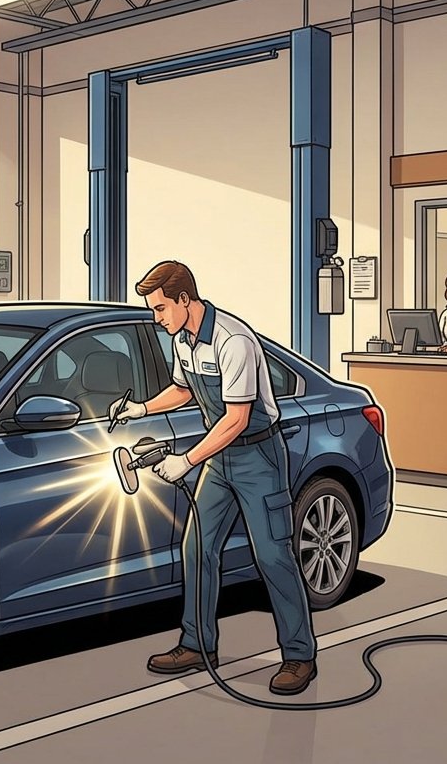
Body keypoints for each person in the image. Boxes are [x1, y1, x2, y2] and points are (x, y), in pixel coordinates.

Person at [109, 260, 317, 695]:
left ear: (185, 299)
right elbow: (184, 390)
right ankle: (197, 644)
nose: (157, 317)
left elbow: (238, 419)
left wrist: (186, 461)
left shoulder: (233, 340)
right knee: (197, 547)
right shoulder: (182, 339)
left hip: (258, 456)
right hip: (220, 461)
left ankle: (299, 656)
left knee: (273, 555)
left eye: (161, 308)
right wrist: (140, 409)